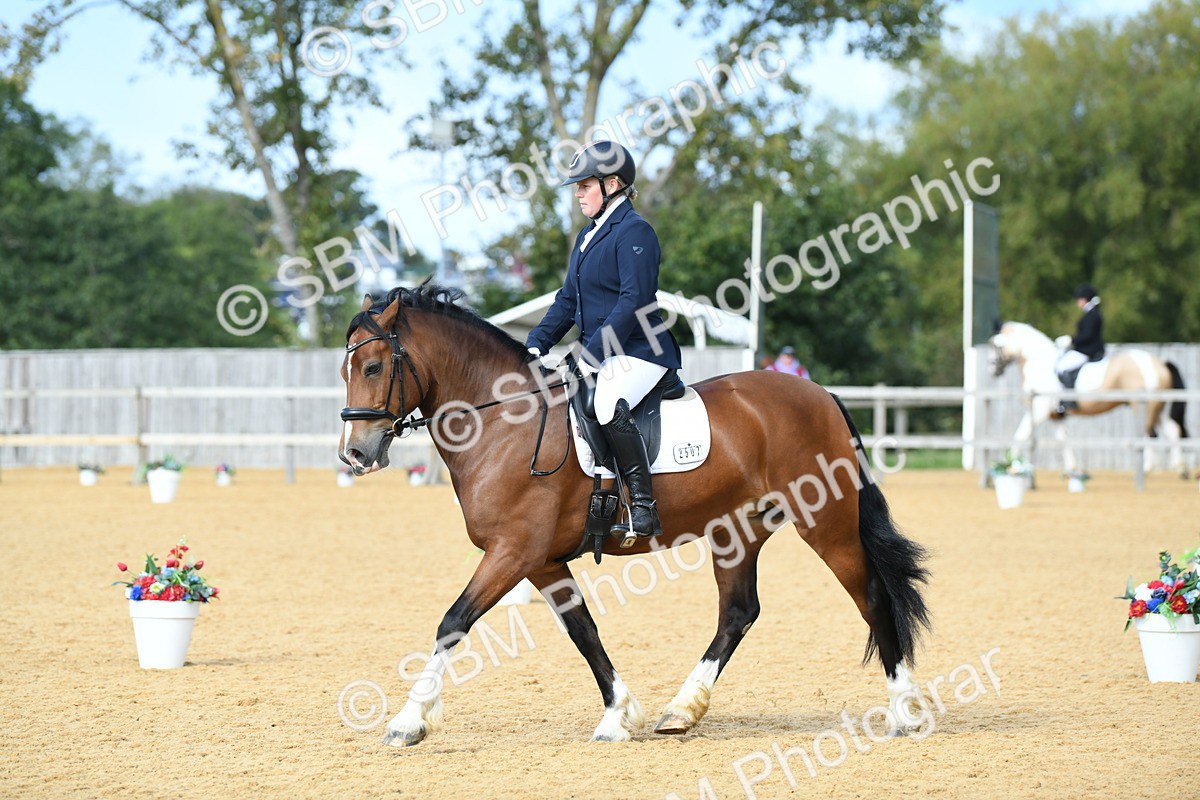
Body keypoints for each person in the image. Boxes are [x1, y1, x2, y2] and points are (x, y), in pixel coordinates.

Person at [525, 141, 681, 538]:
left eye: (585, 186)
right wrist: (536, 343)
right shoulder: (586, 237)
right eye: (577, 187)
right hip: (604, 351)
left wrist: (592, 354)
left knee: (608, 401)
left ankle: (643, 506)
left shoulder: (635, 232)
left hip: (642, 349)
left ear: (612, 183)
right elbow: (567, 300)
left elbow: (634, 302)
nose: (578, 194)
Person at [1054, 283, 1105, 414]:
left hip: (1088, 351)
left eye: (1078, 299)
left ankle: (1070, 400)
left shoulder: (1092, 315)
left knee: (1062, 367)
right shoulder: (1092, 313)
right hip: (1085, 349)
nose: (1077, 303)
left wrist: (1071, 340)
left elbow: (1087, 335)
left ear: (1084, 299)